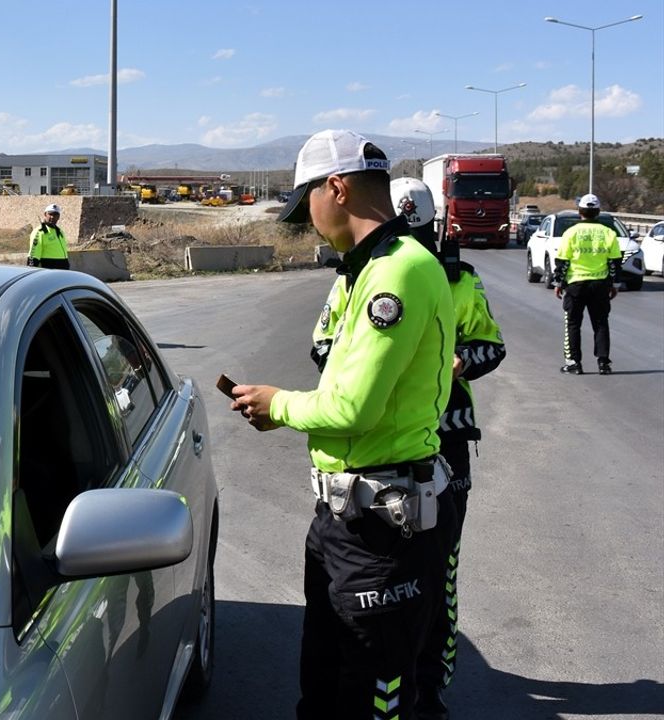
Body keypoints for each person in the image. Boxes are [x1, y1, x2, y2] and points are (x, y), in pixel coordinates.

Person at [227, 129, 458, 720]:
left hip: (383, 530)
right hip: (345, 520)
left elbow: (354, 408)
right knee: (324, 690)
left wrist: (278, 405)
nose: (307, 219)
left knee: (369, 700)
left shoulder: (398, 272)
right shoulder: (366, 269)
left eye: (307, 200)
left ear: (336, 189)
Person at [311, 176, 506, 719]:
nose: (410, 246)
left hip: (446, 442)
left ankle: (430, 685)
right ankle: (394, 686)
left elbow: (492, 346)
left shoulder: (458, 279)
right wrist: (375, 366)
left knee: (440, 573)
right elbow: (323, 345)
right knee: (372, 605)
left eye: (419, 234)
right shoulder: (356, 278)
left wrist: (457, 359)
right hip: (380, 453)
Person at [554, 193, 620, 375]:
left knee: (573, 324)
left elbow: (563, 261)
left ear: (580, 211)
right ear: (598, 212)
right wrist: (614, 284)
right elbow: (614, 262)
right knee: (600, 323)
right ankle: (603, 363)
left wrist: (559, 283)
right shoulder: (608, 233)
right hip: (599, 284)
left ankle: (574, 362)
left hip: (576, 284)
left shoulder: (571, 233)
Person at [27, 203, 69, 269]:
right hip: (48, 271)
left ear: (59, 217)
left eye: (55, 215)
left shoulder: (60, 231)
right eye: (50, 214)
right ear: (45, 214)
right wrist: (31, 270)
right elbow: (33, 255)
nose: (52, 217)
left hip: (63, 270)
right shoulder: (39, 232)